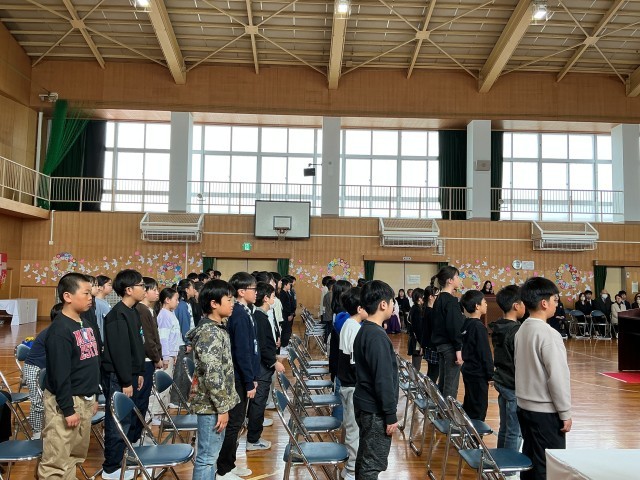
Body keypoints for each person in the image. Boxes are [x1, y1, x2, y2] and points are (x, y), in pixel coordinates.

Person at [38, 273, 100, 480]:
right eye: (86, 293)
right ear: (67, 296)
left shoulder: (86, 324)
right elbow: (59, 374)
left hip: (85, 400)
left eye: (91, 293)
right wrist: (68, 409)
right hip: (66, 403)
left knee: (74, 456)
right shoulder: (59, 330)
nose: (91, 298)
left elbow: (92, 364)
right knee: (56, 462)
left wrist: (93, 396)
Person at [515, 277, 571, 480]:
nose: (557, 304)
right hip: (545, 412)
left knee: (530, 461)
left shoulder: (522, 329)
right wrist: (565, 412)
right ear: (544, 303)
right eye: (555, 300)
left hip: (524, 407)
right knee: (548, 467)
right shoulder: (549, 334)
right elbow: (557, 377)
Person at [187, 279, 240, 480]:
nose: (232, 303)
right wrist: (223, 408)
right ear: (214, 304)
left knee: (211, 456)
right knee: (207, 458)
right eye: (229, 299)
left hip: (215, 404)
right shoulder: (210, 333)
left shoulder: (217, 328)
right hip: (211, 406)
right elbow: (212, 375)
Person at [101, 269, 147, 480]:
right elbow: (119, 352)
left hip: (130, 374)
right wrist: (126, 379)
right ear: (129, 290)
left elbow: (136, 346)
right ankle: (111, 467)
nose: (144, 289)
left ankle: (122, 459)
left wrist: (138, 372)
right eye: (141, 285)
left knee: (127, 419)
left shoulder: (133, 311)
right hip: (119, 377)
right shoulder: (117, 315)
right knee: (117, 422)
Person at [353, 280, 398, 480]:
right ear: (383, 304)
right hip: (374, 409)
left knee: (366, 458)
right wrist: (390, 414)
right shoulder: (376, 336)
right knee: (372, 463)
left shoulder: (365, 329)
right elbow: (383, 379)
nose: (394, 305)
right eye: (392, 302)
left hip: (366, 404)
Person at [217, 272, 259, 480]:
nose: (256, 292)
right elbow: (242, 351)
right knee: (234, 423)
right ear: (242, 292)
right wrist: (249, 380)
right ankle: (223, 469)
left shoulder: (245, 311)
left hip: (244, 375)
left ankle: (229, 463)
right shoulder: (239, 315)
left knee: (237, 422)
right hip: (238, 377)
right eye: (253, 289)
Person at [247, 281, 284, 451]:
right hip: (262, 368)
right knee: (258, 403)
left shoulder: (261, 315)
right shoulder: (259, 317)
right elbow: (261, 346)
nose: (274, 299)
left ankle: (254, 436)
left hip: (264, 365)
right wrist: (274, 362)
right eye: (273, 296)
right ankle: (253, 439)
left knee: (259, 402)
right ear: (266, 298)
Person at [488, 285, 525, 451]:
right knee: (514, 432)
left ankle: (502, 460)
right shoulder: (516, 331)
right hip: (512, 384)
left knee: (504, 428)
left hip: (502, 381)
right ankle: (510, 464)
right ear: (516, 306)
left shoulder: (499, 326)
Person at [337, 287, 367, 480]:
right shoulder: (354, 328)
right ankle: (350, 470)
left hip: (348, 384)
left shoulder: (349, 323)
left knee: (352, 427)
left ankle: (350, 467)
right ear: (359, 308)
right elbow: (355, 364)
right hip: (352, 386)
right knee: (354, 429)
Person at [22, 303, 62, 440]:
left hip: (46, 368)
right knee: (37, 402)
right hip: (34, 368)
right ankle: (37, 434)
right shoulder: (53, 332)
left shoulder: (59, 330)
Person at [131, 276, 162, 441]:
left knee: (144, 398)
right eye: (153, 290)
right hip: (145, 361)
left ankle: (138, 433)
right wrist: (157, 358)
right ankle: (134, 437)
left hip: (151, 360)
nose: (157, 293)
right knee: (140, 399)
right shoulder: (141, 310)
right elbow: (148, 340)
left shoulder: (150, 310)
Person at [149, 287, 183, 425]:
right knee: (162, 387)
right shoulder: (164, 315)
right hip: (166, 356)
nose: (178, 302)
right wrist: (166, 356)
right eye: (176, 299)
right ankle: (155, 414)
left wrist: (174, 354)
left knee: (167, 387)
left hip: (171, 355)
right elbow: (163, 339)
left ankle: (161, 412)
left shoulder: (170, 313)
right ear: (167, 300)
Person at [430, 266, 464, 400]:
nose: (459, 279)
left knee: (443, 383)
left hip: (441, 346)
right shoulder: (451, 301)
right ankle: (448, 411)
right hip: (450, 347)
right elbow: (454, 327)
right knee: (451, 385)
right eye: (457, 276)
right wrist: (458, 349)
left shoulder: (439, 299)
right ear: (450, 280)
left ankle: (442, 410)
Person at [460, 290, 493, 421]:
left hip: (468, 369)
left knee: (470, 405)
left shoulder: (466, 323)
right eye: (484, 302)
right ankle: (475, 434)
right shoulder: (479, 327)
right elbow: (485, 353)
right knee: (478, 409)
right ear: (477, 306)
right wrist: (490, 374)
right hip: (478, 373)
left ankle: (468, 432)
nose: (486, 304)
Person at [421, 284, 440, 384]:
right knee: (433, 374)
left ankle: (427, 391)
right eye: (437, 296)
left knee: (431, 372)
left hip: (428, 345)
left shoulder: (426, 310)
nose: (438, 298)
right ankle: (429, 392)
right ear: (431, 297)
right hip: (433, 346)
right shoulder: (431, 312)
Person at [407, 288, 425, 371]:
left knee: (416, 364)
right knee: (416, 365)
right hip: (417, 341)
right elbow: (418, 329)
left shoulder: (414, 308)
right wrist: (422, 344)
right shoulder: (417, 310)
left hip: (415, 339)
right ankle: (414, 379)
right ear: (419, 298)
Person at [278, 276, 295, 350]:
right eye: (288, 284)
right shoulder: (282, 293)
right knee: (285, 330)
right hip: (285, 315)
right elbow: (284, 306)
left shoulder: (286, 293)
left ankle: (285, 344)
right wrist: (289, 314)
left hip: (287, 314)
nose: (290, 285)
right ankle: (283, 345)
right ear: (285, 285)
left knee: (287, 330)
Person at [94, 274, 113, 339]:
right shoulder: (97, 302)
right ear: (100, 287)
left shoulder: (103, 302)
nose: (111, 287)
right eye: (109, 285)